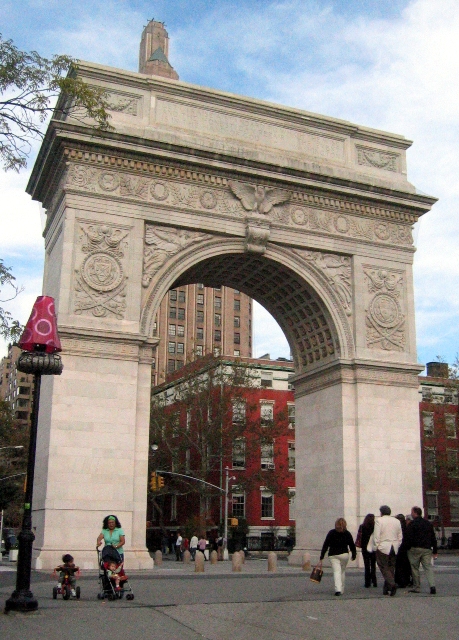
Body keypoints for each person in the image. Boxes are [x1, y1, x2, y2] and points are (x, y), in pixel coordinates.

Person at [319, 517, 356, 596]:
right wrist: (354, 554)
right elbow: (352, 545)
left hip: (333, 554)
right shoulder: (347, 533)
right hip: (344, 554)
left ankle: (337, 589)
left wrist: (322, 555)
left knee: (336, 572)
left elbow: (326, 545)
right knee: (342, 571)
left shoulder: (331, 533)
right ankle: (342, 588)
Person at [406, 506, 438, 594]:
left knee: (415, 568)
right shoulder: (428, 524)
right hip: (427, 549)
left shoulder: (412, 524)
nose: (411, 514)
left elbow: (408, 537)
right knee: (428, 567)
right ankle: (432, 586)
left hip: (415, 548)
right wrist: (435, 550)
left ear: (415, 513)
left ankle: (417, 587)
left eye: (412, 512)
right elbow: (433, 538)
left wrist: (407, 547)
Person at [373, 505, 403, 596]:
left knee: (383, 567)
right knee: (391, 567)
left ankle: (392, 584)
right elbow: (400, 536)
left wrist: (376, 546)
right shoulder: (397, 521)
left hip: (383, 547)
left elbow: (376, 536)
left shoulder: (379, 521)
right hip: (394, 546)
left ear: (381, 512)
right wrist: (397, 544)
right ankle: (386, 588)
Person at [357, 513, 377, 588]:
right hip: (373, 548)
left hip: (365, 548)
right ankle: (374, 581)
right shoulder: (375, 527)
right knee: (373, 565)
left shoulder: (362, 527)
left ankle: (367, 582)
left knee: (367, 565)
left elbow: (360, 537)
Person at [394, 514, 412, 588]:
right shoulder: (407, 527)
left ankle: (400, 581)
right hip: (406, 548)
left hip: (399, 548)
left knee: (399, 566)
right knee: (406, 566)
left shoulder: (397, 528)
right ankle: (406, 580)